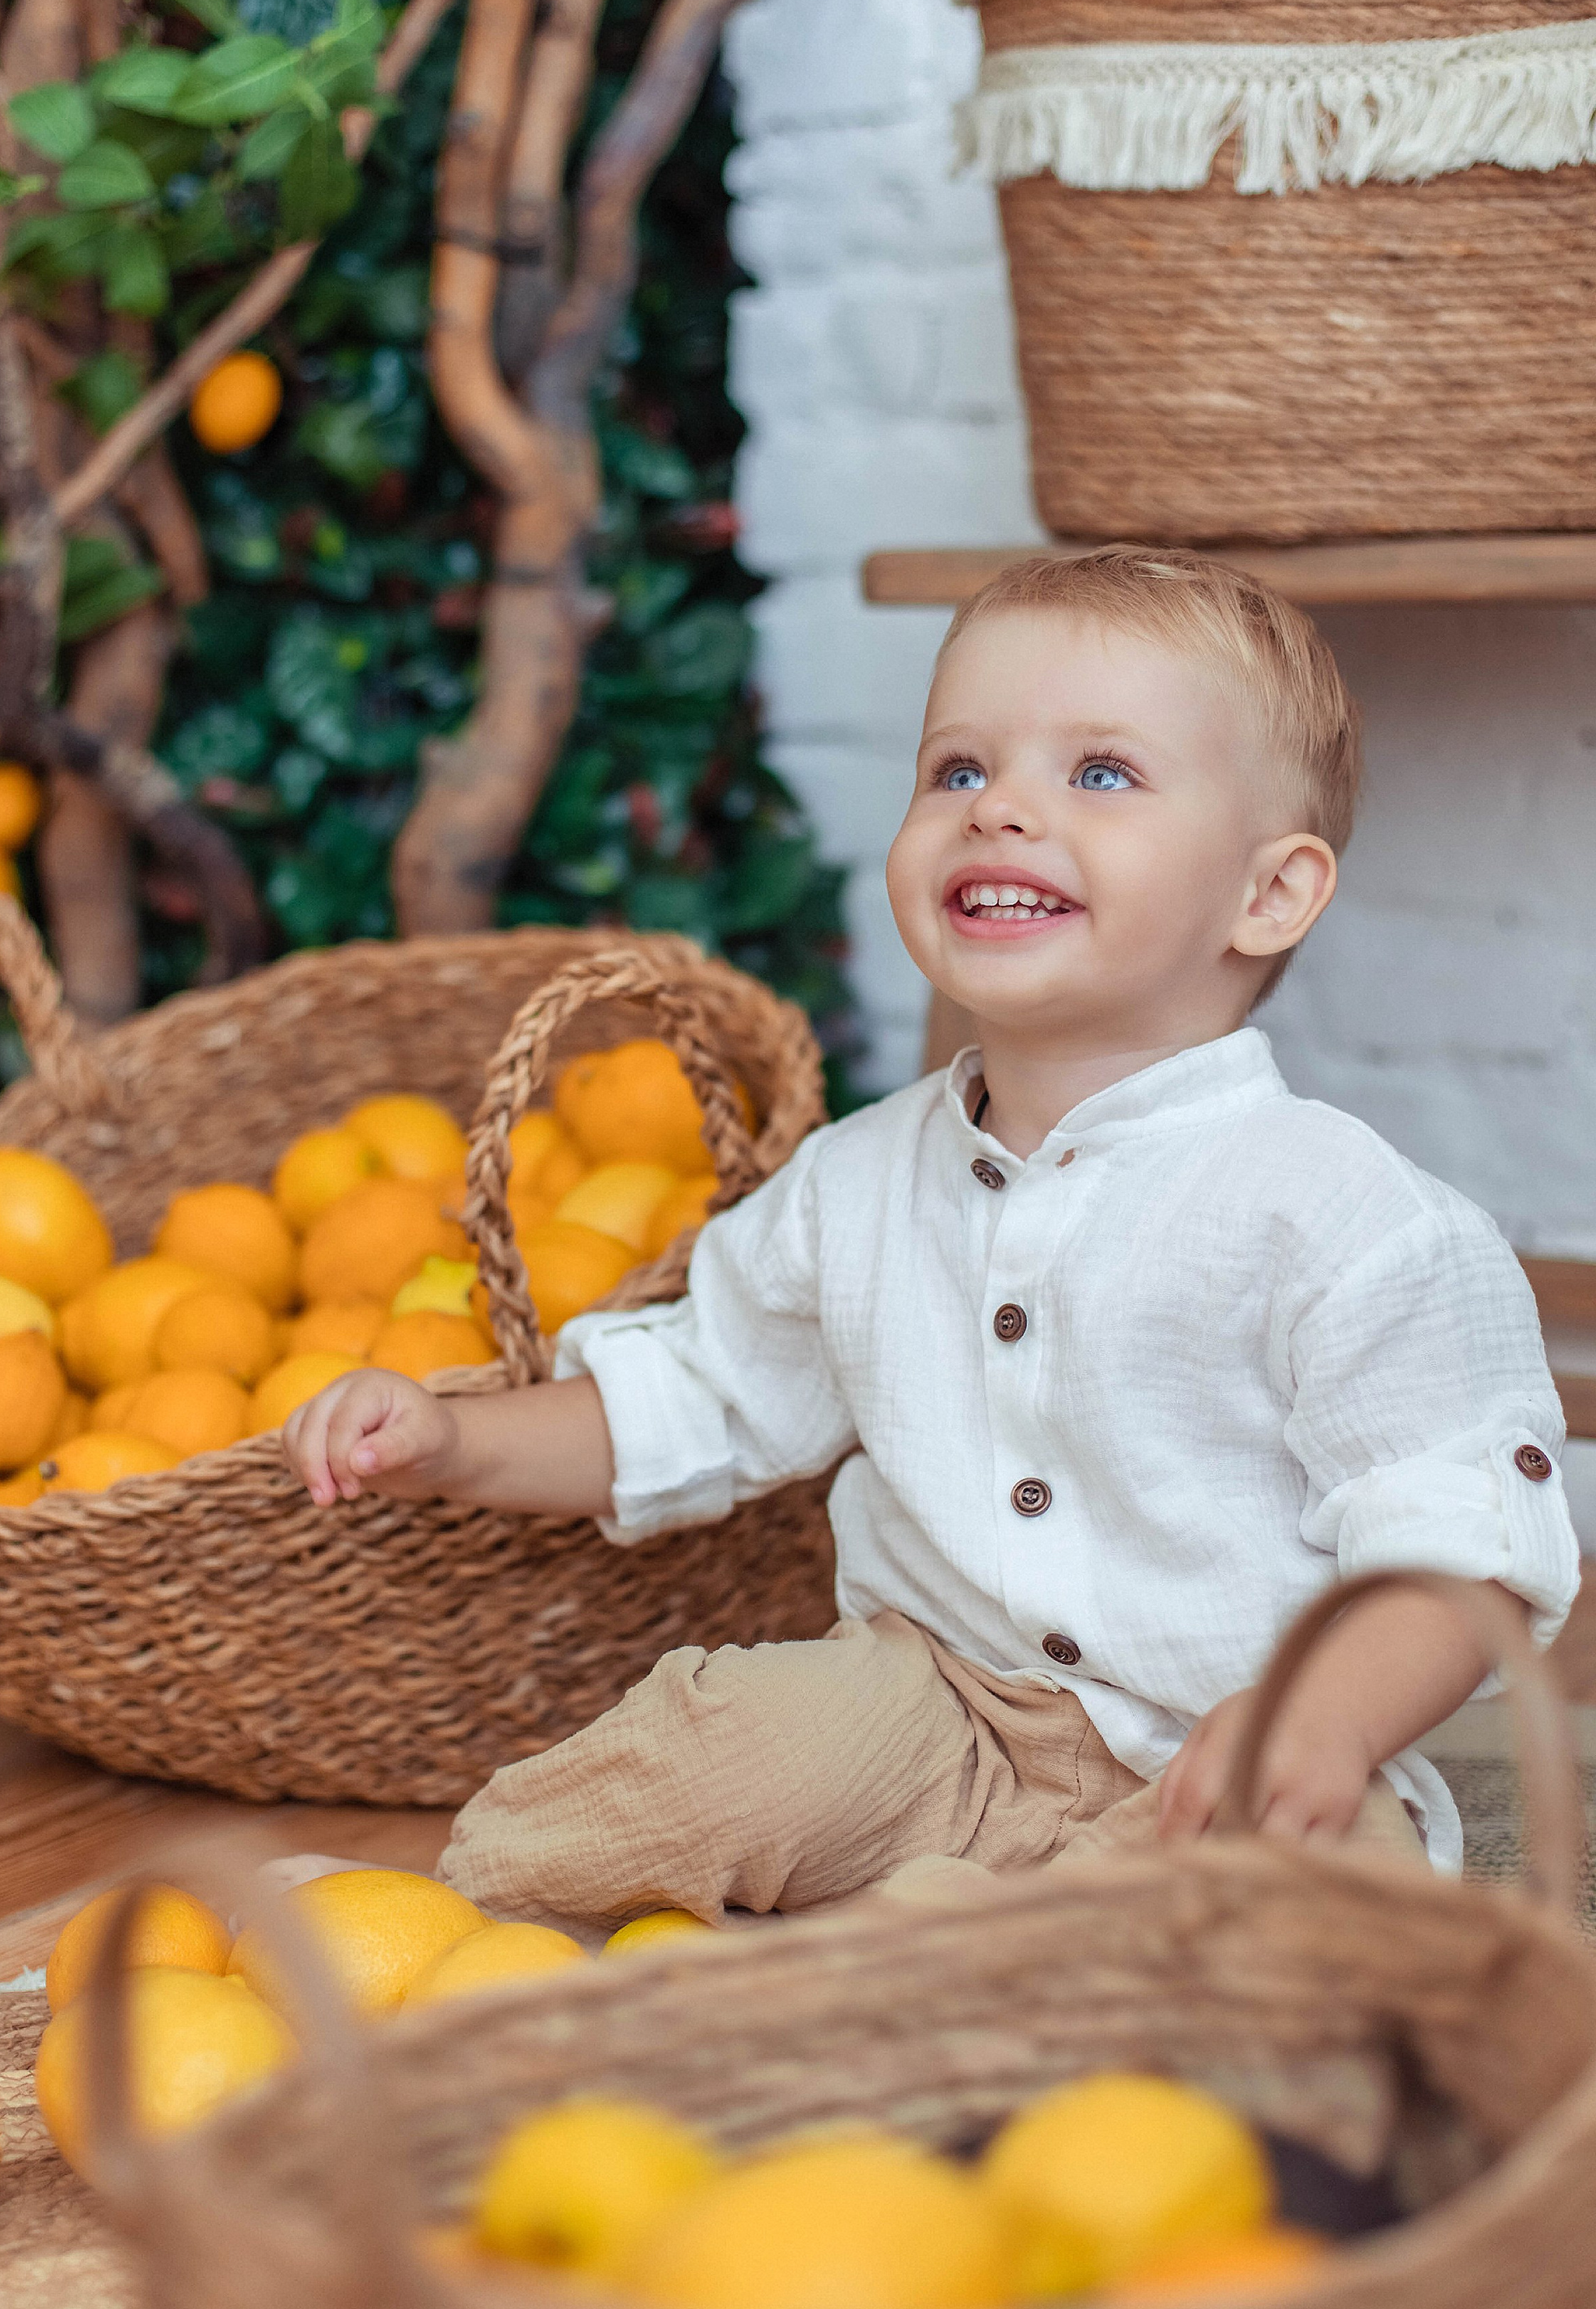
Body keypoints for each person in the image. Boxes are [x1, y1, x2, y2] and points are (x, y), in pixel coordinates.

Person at [282, 546, 1578, 1932]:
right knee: (707, 1759)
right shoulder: (854, 1182)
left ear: (1267, 895)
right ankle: (413, 1932)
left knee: (1304, 1913)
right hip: (929, 1716)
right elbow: (695, 1395)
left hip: (1232, 1760)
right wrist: (453, 1441)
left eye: (1099, 773)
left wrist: (1316, 1721)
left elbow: (1461, 1549)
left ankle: (951, 1969)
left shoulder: (1343, 1215)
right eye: (957, 769)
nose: (997, 808)